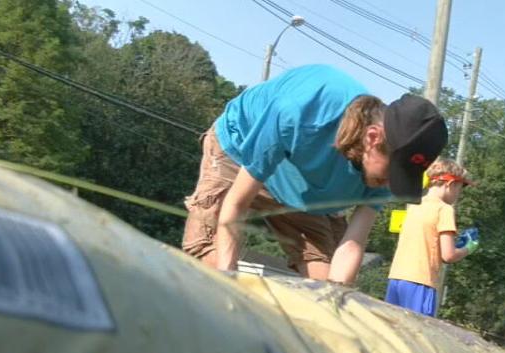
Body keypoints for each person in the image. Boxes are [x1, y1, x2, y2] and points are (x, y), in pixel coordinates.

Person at [182, 64, 447, 283]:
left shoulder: (386, 167)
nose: (390, 183)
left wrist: (334, 300)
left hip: (305, 188)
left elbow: (353, 243)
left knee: (322, 286)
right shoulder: (298, 112)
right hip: (240, 153)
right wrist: (228, 282)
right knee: (214, 268)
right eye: (393, 172)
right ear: (372, 138)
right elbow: (236, 205)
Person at [385, 158, 476, 316]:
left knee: (392, 334)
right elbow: (448, 255)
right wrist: (468, 248)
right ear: (450, 184)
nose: (458, 194)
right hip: (422, 281)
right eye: (460, 188)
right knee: (417, 335)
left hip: (396, 279)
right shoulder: (444, 209)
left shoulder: (414, 205)